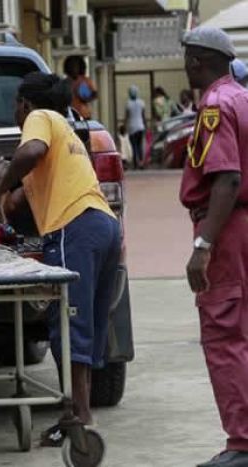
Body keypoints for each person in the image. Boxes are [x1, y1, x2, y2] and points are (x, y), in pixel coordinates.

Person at [0, 72, 120, 447]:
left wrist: (0, 181)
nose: (14, 111)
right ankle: (78, 413)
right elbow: (19, 202)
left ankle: (77, 417)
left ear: (25, 104)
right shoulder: (68, 134)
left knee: (68, 326)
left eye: (14, 105)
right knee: (84, 325)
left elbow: (29, 153)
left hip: (74, 228)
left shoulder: (39, 120)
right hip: (105, 225)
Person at [180, 26, 248, 467]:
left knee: (224, 333)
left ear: (197, 61)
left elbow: (226, 178)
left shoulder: (215, 106)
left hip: (226, 227)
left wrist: (204, 243)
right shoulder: (243, 97)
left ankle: (242, 444)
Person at [64, 55, 98, 120]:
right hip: (70, 115)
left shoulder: (85, 80)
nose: (73, 68)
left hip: (84, 114)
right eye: (71, 66)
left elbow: (95, 94)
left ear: (80, 67)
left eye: (76, 66)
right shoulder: (65, 82)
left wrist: (86, 98)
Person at [125, 85, 147, 169]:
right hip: (140, 126)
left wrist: (124, 126)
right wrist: (146, 126)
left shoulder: (128, 104)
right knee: (140, 145)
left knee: (134, 146)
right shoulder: (141, 103)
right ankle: (141, 162)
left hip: (132, 127)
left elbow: (126, 117)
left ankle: (135, 164)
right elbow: (143, 116)